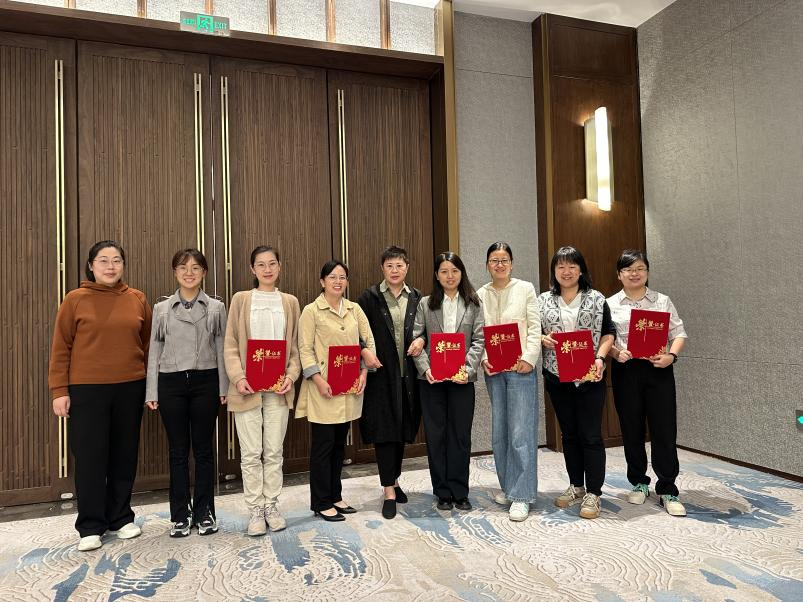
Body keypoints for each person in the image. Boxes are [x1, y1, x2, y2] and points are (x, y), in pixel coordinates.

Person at [49, 240, 151, 552]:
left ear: (123, 265)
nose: (110, 266)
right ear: (91, 266)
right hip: (87, 389)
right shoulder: (75, 300)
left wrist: (150, 387)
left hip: (130, 387)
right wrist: (59, 390)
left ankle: (120, 517)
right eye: (103, 260)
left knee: (124, 454)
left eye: (116, 260)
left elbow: (148, 345)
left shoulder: (137, 299)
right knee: (90, 457)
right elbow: (61, 347)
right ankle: (91, 525)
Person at [145, 249, 228, 537]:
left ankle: (205, 512)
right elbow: (154, 351)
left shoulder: (216, 307)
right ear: (175, 272)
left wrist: (224, 387)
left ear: (204, 272)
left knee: (204, 451)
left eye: (195, 268)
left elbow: (221, 348)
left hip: (206, 381)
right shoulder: (162, 309)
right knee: (178, 451)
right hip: (171, 383)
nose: (189, 273)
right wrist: (152, 390)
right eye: (183, 267)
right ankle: (180, 515)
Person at [224, 245, 300, 535]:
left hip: (279, 388)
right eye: (261, 264)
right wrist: (238, 377)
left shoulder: (290, 302)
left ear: (279, 266)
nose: (267, 269)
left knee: (274, 451)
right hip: (247, 387)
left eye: (272, 263)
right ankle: (255, 509)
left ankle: (271, 505)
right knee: (250, 452)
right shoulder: (241, 299)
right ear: (252, 269)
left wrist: (291, 375)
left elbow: (295, 348)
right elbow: (231, 344)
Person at [607, 249, 689, 516]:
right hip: (626, 370)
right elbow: (605, 339)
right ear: (619, 274)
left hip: (658, 369)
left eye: (640, 268)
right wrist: (615, 353)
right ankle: (639, 482)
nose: (635, 273)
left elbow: (679, 333)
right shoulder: (609, 304)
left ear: (647, 272)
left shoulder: (662, 301)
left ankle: (667, 487)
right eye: (628, 269)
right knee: (631, 428)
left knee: (664, 429)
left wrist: (671, 356)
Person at [296, 260, 375, 521]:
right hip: (324, 388)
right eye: (332, 277)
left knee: (340, 444)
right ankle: (320, 501)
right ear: (322, 281)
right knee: (324, 445)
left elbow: (368, 342)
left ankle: (335, 495)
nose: (338, 281)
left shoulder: (354, 309)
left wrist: (364, 373)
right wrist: (318, 379)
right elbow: (304, 349)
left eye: (342, 277)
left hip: (348, 387)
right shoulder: (311, 311)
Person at [539, 246, 614, 520]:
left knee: (591, 434)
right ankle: (576, 486)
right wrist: (542, 339)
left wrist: (600, 358)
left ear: (581, 270)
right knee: (569, 434)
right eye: (561, 266)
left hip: (589, 376)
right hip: (557, 376)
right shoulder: (543, 300)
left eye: (572, 266)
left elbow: (608, 333)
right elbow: (533, 332)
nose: (566, 271)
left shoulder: (596, 298)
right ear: (554, 271)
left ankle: (594, 491)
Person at [411, 252, 484, 512]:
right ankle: (442, 491)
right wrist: (425, 368)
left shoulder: (473, 303)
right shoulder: (426, 303)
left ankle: (460, 491)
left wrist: (467, 369)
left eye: (454, 271)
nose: (449, 276)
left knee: (460, 436)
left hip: (462, 380)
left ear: (461, 273)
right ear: (436, 275)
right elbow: (417, 338)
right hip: (432, 380)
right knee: (436, 436)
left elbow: (479, 340)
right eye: (444, 271)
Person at [356, 246, 423, 520]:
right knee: (384, 431)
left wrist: (422, 340)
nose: (395, 271)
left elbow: (425, 329)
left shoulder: (417, 297)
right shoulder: (369, 297)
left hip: (409, 375)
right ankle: (388, 491)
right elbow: (357, 332)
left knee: (402, 429)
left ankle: (394, 480)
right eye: (389, 266)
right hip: (381, 376)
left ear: (407, 267)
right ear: (382, 268)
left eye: (399, 265)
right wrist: (364, 351)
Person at [477, 242, 541, 521]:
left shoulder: (525, 289)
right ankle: (509, 487)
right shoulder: (480, 294)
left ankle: (522, 495)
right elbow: (478, 333)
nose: (499, 264)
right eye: (494, 260)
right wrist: (483, 359)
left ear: (512, 263)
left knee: (520, 432)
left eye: (504, 260)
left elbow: (535, 327)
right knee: (500, 431)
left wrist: (529, 358)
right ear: (487, 265)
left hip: (521, 368)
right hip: (494, 370)